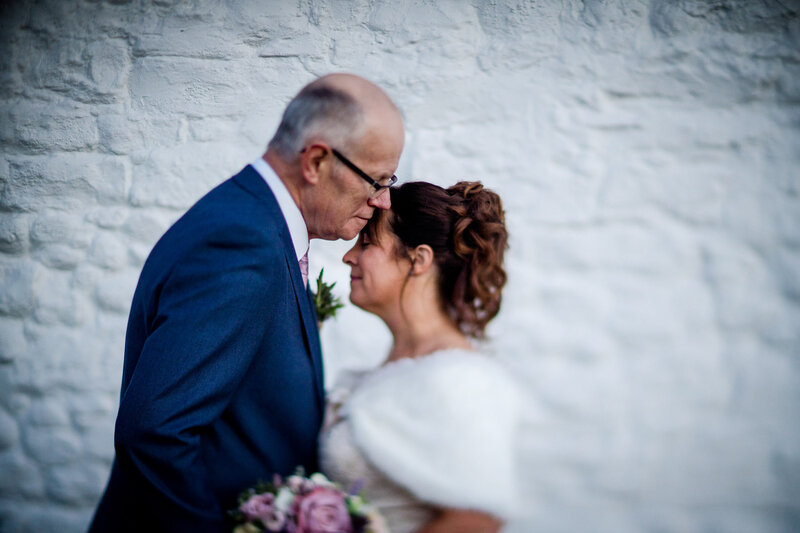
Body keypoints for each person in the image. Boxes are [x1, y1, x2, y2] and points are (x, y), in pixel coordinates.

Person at [89, 73, 405, 532]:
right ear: (316, 160)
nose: (383, 200)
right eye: (375, 180)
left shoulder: (254, 224)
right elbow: (155, 433)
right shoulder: (243, 244)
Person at [320, 180, 521, 533]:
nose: (348, 255)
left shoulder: (460, 382)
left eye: (367, 242)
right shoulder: (394, 369)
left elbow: (475, 520)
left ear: (419, 259)